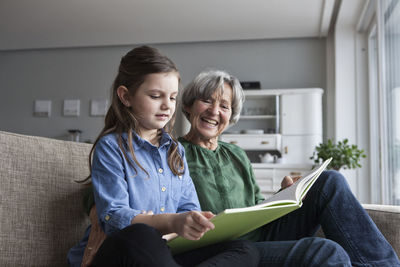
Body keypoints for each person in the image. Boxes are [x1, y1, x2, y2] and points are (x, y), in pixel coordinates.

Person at [178, 69, 400, 266]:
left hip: (262, 235)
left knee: (330, 180)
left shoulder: (235, 154)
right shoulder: (174, 154)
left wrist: (282, 197)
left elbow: (256, 206)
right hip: (228, 251)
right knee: (326, 251)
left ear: (231, 115)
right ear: (188, 105)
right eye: (207, 101)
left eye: (224, 106)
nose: (214, 111)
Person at [67, 47, 260, 267]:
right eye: (155, 96)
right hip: (122, 253)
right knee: (141, 233)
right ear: (126, 96)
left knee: (243, 248)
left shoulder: (175, 151)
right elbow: (114, 218)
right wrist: (171, 222)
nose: (167, 105)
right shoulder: (111, 147)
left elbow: (189, 208)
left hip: (165, 251)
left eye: (172, 97)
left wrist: (191, 222)